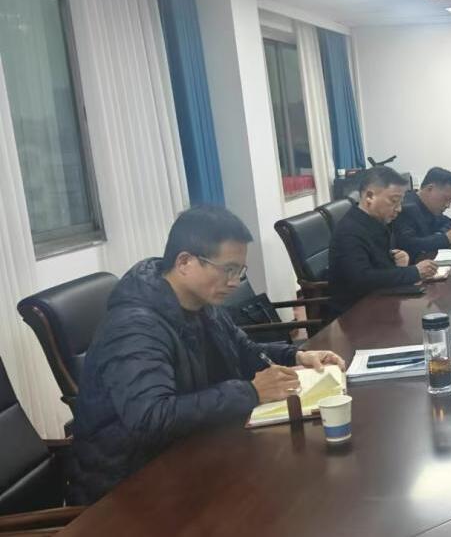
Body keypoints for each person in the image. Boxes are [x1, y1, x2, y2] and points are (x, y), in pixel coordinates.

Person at [69, 206, 347, 505]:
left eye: (240, 272)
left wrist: (297, 356)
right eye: (228, 270)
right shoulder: (134, 327)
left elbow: (243, 352)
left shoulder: (200, 304)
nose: (235, 282)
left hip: (192, 454)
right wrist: (250, 392)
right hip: (132, 488)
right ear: (185, 262)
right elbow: (151, 417)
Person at [328, 166, 438, 318]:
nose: (399, 209)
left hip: (380, 303)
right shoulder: (349, 231)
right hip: (355, 315)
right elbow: (362, 279)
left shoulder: (376, 222)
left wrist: (395, 260)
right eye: (394, 201)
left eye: (400, 202)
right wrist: (414, 272)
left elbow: (376, 264)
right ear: (370, 196)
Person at [394, 167, 451, 260]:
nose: (448, 205)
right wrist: (444, 239)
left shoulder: (430, 208)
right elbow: (409, 245)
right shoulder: (406, 208)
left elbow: (450, 224)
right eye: (446, 199)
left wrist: (439, 235)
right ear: (430, 189)